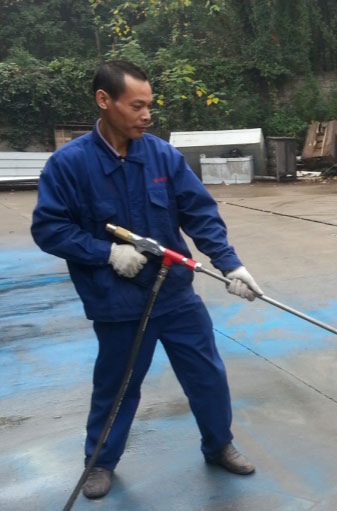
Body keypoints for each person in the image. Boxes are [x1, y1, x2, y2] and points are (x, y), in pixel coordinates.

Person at [31, 60, 262, 499]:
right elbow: (49, 229)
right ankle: (100, 462)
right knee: (117, 388)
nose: (147, 115)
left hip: (174, 295)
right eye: (136, 106)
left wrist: (230, 264)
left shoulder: (161, 156)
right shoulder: (69, 165)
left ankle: (219, 445)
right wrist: (106, 252)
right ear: (104, 100)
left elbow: (200, 213)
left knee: (207, 375)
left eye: (149, 105)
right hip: (115, 301)